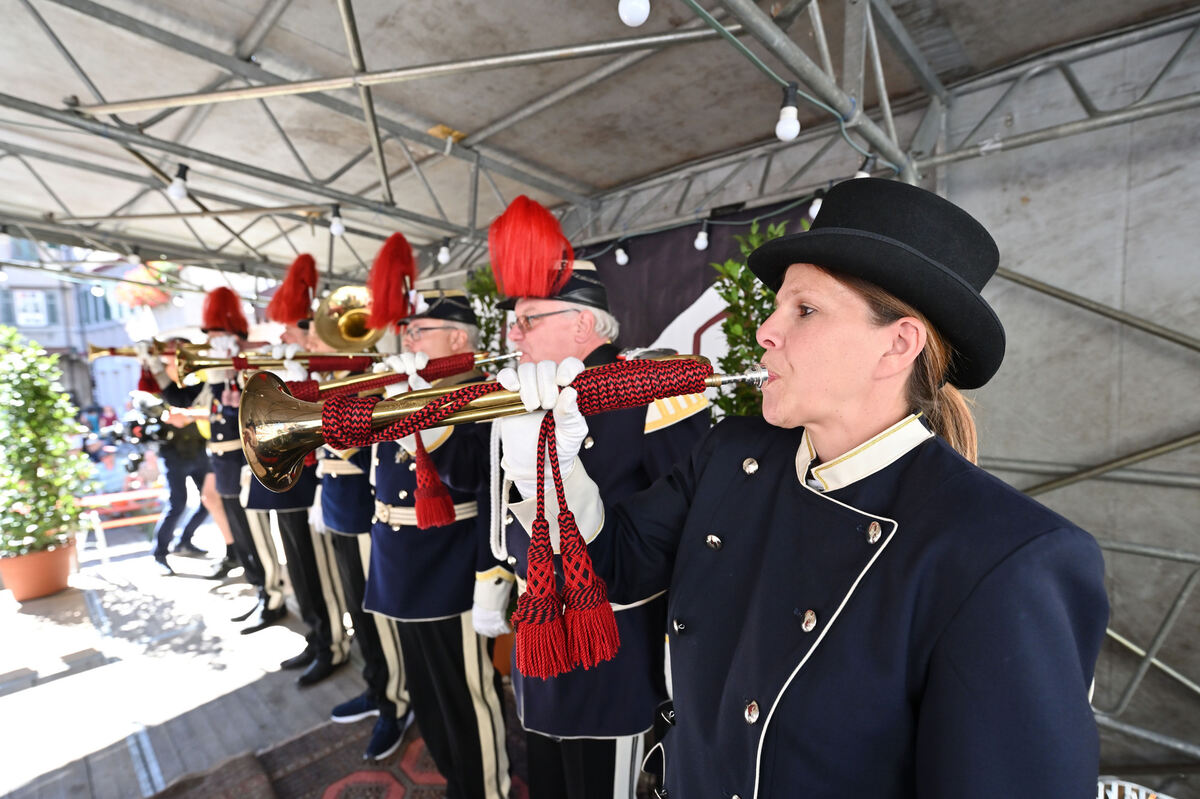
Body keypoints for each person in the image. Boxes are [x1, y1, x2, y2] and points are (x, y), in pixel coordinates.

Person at [497, 178, 1109, 798]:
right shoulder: (730, 453)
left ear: (897, 346)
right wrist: (546, 469)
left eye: (805, 310)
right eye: (778, 306)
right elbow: (607, 568)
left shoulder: (1007, 556)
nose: (766, 330)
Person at [490, 197, 711, 799]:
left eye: (529, 318)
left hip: (615, 650)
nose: (514, 332)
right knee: (549, 776)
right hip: (540, 627)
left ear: (583, 324)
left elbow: (695, 530)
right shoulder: (521, 393)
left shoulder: (652, 391)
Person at [361, 289, 511, 790]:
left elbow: (477, 474)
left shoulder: (482, 390)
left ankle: (488, 788)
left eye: (419, 329)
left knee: (467, 691)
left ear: (457, 338)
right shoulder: (409, 385)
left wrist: (421, 420)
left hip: (450, 556)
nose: (407, 337)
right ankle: (454, 777)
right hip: (397, 555)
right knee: (426, 688)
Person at [149, 392, 212, 575]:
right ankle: (160, 554)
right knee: (177, 505)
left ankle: (185, 541)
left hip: (198, 452)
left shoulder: (196, 388)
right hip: (174, 456)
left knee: (210, 501)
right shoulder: (161, 391)